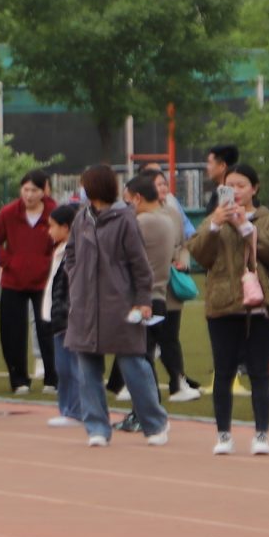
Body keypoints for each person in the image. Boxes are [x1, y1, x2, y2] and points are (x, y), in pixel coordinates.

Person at [60, 165, 168, 448]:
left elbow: (140, 265)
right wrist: (75, 277)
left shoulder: (125, 219)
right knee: (87, 370)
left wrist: (142, 300)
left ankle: (154, 423)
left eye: (84, 184)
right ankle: (96, 426)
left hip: (119, 304)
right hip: (84, 306)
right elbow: (70, 253)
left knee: (134, 365)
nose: (81, 189)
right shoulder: (81, 217)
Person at [187, 164, 269, 455]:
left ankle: (261, 434)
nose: (236, 191)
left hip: (259, 305)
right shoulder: (213, 220)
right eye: (229, 186)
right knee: (224, 371)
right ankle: (223, 434)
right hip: (222, 304)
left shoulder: (267, 218)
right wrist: (215, 224)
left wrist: (246, 226)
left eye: (241, 185)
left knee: (259, 371)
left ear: (254, 188)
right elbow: (199, 255)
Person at [129, 171, 198, 401]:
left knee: (142, 354)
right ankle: (156, 400)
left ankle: (149, 409)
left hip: (145, 297)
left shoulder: (142, 222)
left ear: (137, 197)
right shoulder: (167, 218)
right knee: (149, 350)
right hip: (159, 293)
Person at [0, 171, 57, 393]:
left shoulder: (53, 212)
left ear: (44, 191)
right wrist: (9, 261)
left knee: (47, 329)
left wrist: (48, 262)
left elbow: (63, 240)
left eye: (35, 190)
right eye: (26, 190)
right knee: (12, 332)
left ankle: (52, 378)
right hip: (13, 281)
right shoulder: (8, 213)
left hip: (45, 283)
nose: (29, 195)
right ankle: (19, 379)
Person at [43, 204, 84, 430]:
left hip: (68, 318)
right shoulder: (60, 250)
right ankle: (66, 409)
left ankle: (75, 410)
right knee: (63, 366)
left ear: (66, 227)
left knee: (71, 366)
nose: (49, 231)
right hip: (57, 317)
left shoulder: (73, 251)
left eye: (52, 226)